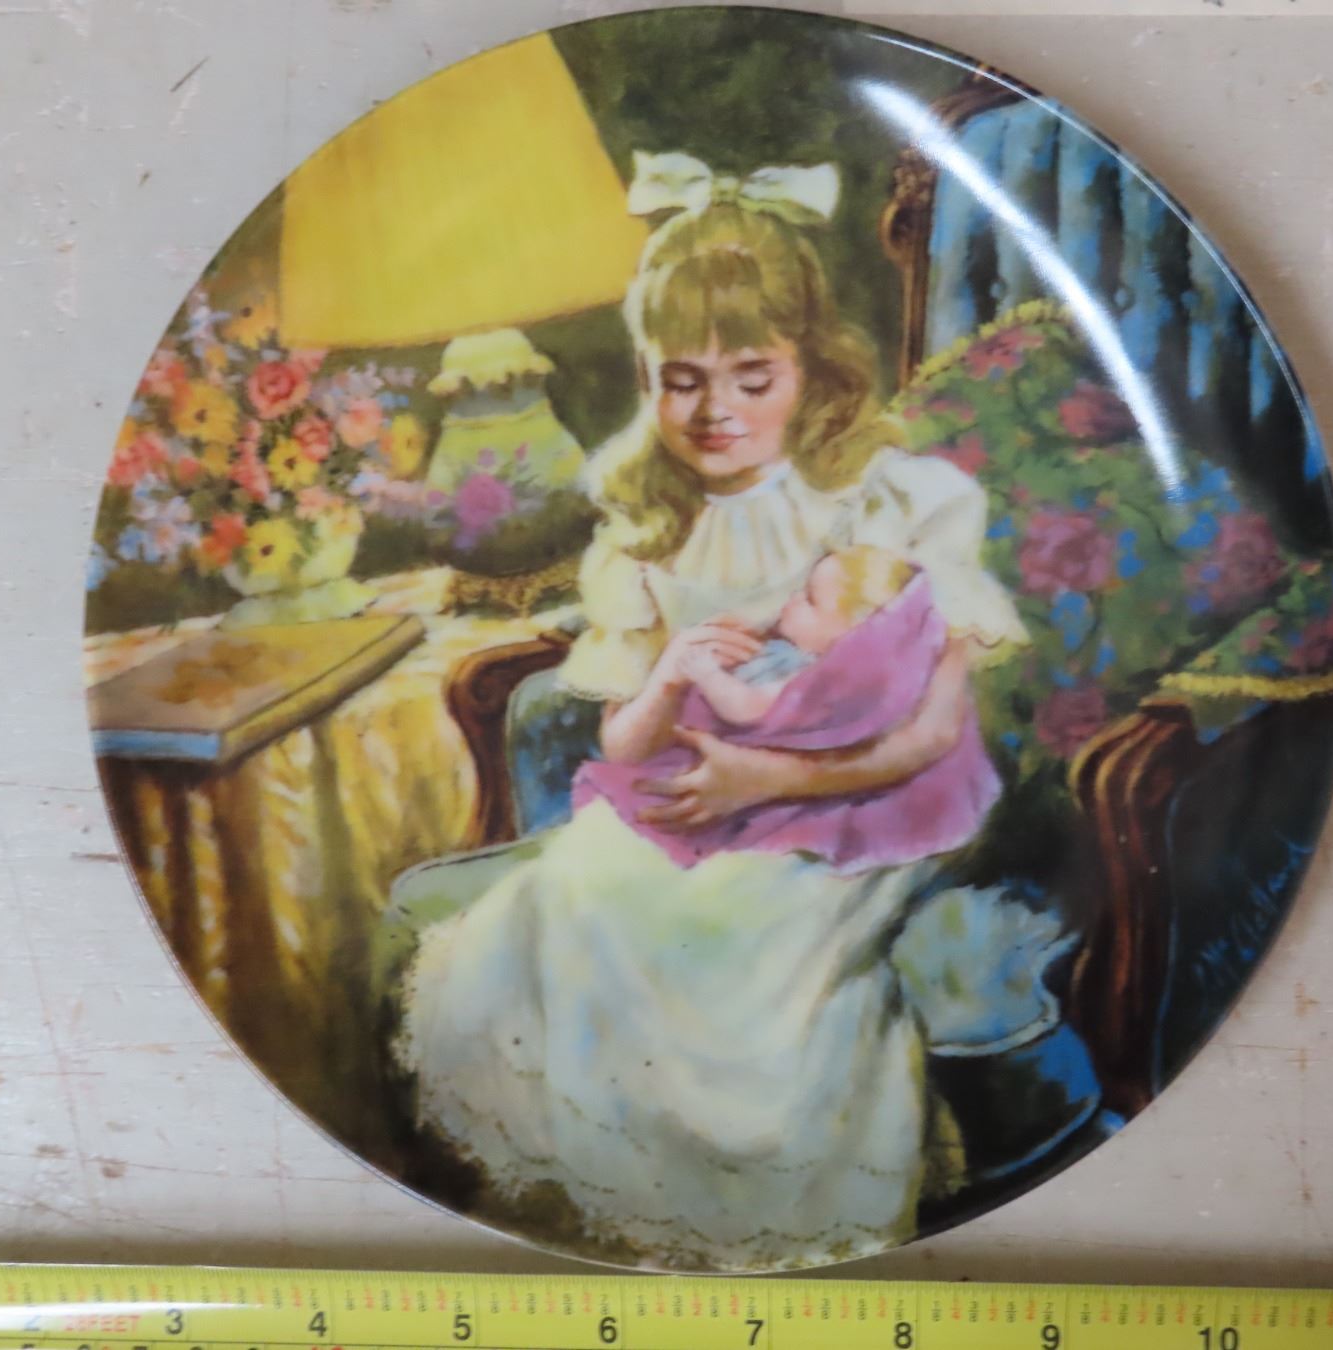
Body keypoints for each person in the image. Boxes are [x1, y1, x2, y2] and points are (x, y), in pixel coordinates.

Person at [392, 152, 1028, 1271]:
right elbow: (620, 738)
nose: (715, 409)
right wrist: (672, 677)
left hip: (859, 811)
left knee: (744, 954)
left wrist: (770, 778)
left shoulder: (890, 501)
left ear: (811, 367)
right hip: (695, 804)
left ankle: (762, 1218)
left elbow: (933, 736)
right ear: (646, 375)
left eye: (751, 375)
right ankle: (625, 1210)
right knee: (579, 891)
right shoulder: (647, 525)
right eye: (682, 378)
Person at [573, 545, 1003, 874]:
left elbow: (748, 709)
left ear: (853, 642)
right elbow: (623, 739)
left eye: (809, 600)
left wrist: (704, 672)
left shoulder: (818, 682)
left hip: (754, 789)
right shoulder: (801, 659)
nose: (792, 600)